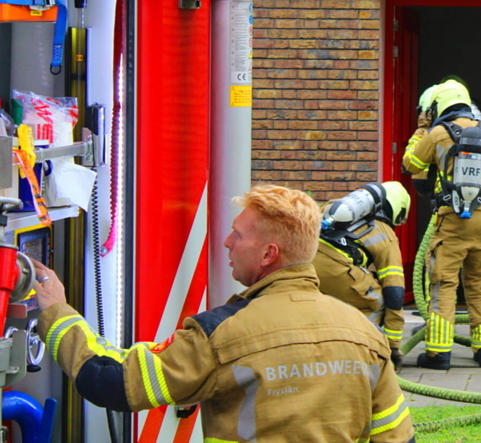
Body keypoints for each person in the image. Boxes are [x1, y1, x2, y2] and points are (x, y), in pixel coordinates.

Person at [32, 184, 415, 443]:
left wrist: (56, 310)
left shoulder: (223, 334)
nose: (228, 242)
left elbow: (111, 381)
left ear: (269, 254)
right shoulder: (365, 334)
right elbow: (396, 434)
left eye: (239, 234)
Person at [403, 79, 481, 370]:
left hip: (451, 218)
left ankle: (438, 354)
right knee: (480, 284)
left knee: (444, 285)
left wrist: (420, 133)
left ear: (439, 106)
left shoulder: (437, 132)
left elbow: (411, 164)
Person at [314, 181, 411, 368]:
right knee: (375, 300)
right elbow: (394, 291)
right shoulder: (385, 232)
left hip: (303, 262)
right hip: (337, 269)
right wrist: (392, 346)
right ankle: (364, 353)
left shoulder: (332, 206)